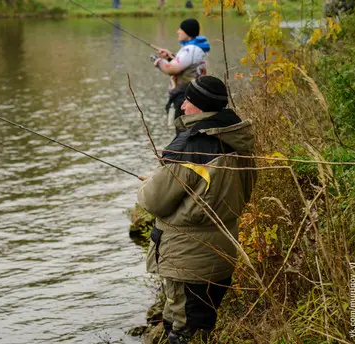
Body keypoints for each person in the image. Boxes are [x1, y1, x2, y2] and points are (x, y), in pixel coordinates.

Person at [137, 76, 256, 343]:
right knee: (203, 322)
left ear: (200, 106)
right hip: (223, 252)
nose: (182, 107)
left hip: (187, 261)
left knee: (184, 332)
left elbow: (153, 201)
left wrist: (150, 184)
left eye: (188, 101)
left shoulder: (190, 148)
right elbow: (241, 194)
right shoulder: (240, 140)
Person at [150, 19, 210, 129]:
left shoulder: (190, 49)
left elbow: (172, 69)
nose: (178, 31)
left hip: (184, 95)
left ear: (187, 32)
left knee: (182, 130)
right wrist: (169, 57)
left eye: (181, 29)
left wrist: (159, 62)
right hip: (191, 94)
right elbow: (186, 65)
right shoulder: (197, 47)